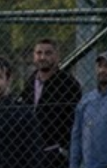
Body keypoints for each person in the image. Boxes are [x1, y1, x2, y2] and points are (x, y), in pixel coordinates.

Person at [19, 39, 81, 168]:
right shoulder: (30, 82)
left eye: (48, 53)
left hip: (56, 153)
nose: (42, 57)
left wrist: (63, 148)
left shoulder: (68, 84)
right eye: (39, 53)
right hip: (30, 150)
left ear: (57, 56)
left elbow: (75, 120)